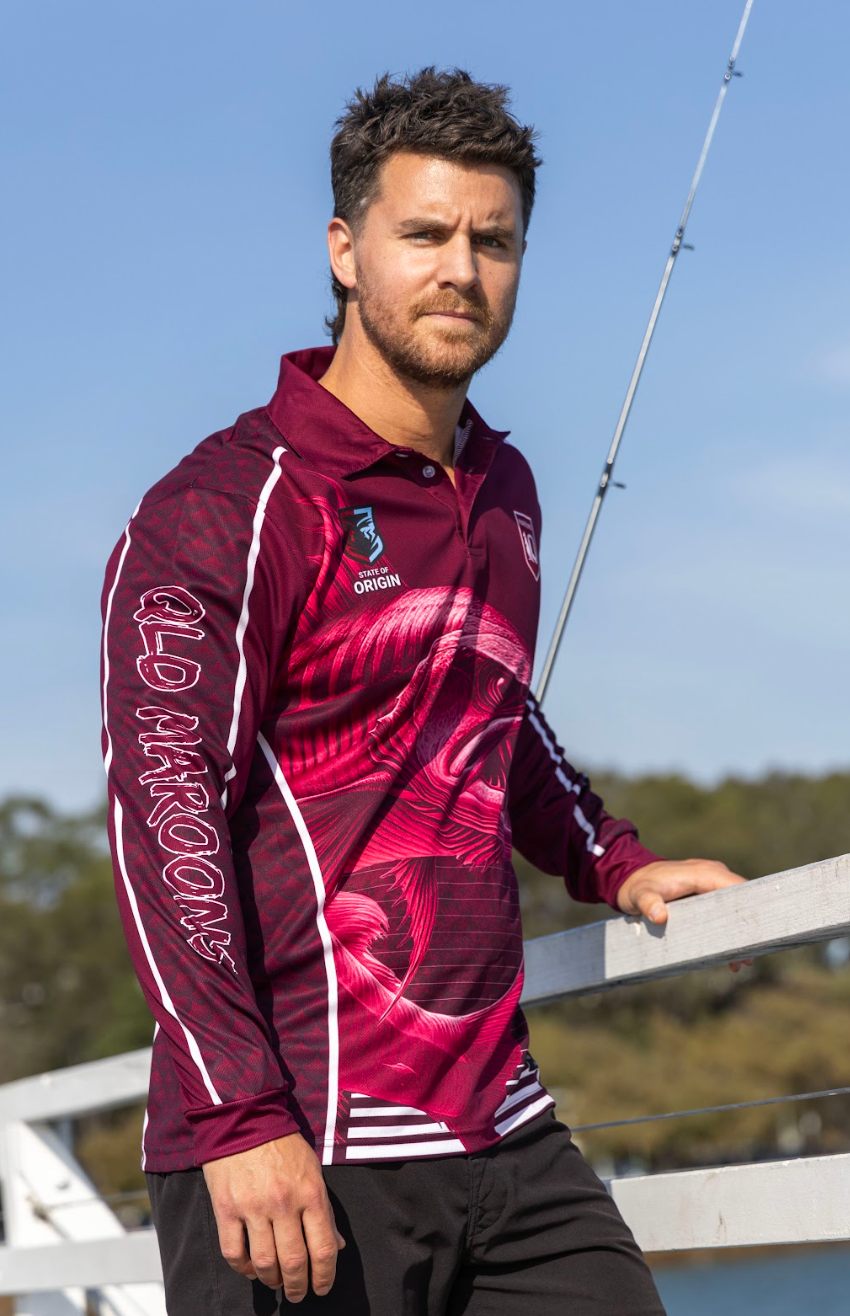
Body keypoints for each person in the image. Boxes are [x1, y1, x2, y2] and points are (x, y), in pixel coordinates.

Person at [101, 68, 744, 1315]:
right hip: (297, 1138)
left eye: (493, 240)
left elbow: (492, 710)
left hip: (502, 1128)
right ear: (347, 250)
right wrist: (239, 1112)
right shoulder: (226, 505)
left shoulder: (502, 487)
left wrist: (613, 857)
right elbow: (163, 817)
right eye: (427, 233)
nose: (463, 267)